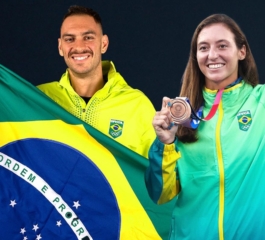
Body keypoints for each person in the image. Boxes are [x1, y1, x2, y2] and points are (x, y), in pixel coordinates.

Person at [145, 13, 265, 239]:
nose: (212, 55)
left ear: (242, 51)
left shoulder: (261, 103)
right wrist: (165, 143)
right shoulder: (178, 115)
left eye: (222, 45)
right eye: (203, 48)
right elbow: (160, 194)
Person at [37, 5, 156, 158]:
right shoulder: (39, 99)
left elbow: (159, 172)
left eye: (88, 37)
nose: (79, 47)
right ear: (61, 47)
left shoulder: (137, 105)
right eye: (69, 39)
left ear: (104, 44)